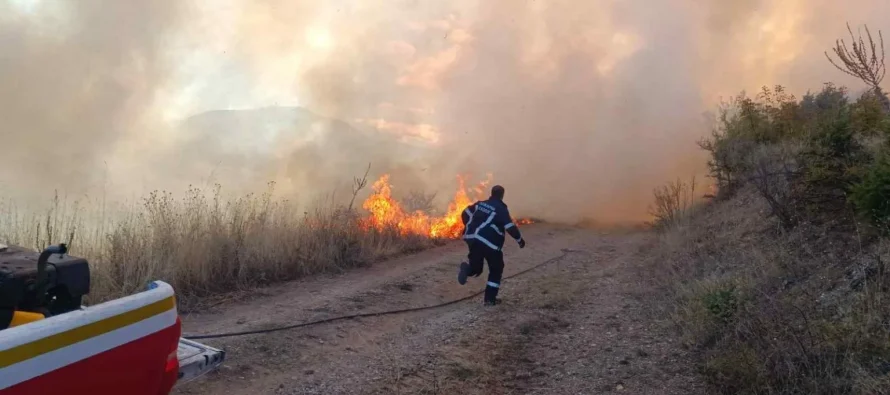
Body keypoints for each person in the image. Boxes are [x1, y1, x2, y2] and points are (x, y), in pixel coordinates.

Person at [457, 185, 526, 306]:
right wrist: (520, 240)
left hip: (472, 238)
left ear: (491, 193)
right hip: (490, 243)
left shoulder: (480, 204)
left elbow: (465, 213)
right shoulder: (500, 209)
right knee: (496, 268)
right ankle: (489, 299)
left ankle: (467, 270)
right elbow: (510, 227)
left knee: (476, 268)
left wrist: (469, 225)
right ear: (502, 195)